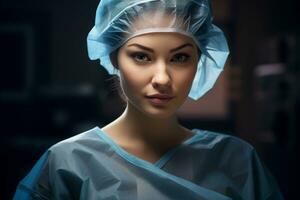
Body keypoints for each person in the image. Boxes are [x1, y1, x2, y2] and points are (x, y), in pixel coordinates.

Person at [13, 0, 284, 199]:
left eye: (180, 57)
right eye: (142, 56)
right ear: (112, 58)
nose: (163, 78)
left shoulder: (237, 161)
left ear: (198, 62)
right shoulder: (66, 163)